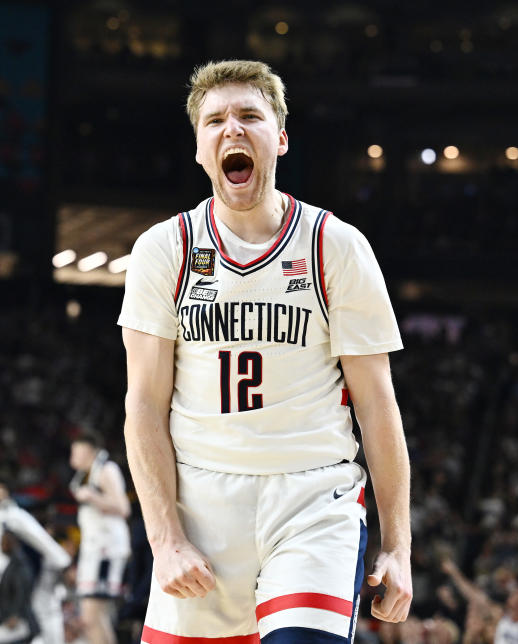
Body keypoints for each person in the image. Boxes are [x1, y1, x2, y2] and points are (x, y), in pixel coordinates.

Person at [118, 59, 412, 641]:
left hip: (312, 498)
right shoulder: (163, 249)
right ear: (199, 147)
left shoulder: (337, 245)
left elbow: (378, 407)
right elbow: (143, 407)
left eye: (250, 116)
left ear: (279, 138)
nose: (232, 129)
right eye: (215, 120)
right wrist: (166, 539)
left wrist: (398, 546)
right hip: (200, 503)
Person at [0, 480, 71, 644]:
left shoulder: (13, 514)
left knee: (4, 633)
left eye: (2, 490)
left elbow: (40, 538)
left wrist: (65, 563)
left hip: (3, 585)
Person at [69, 433, 131, 644]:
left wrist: (92, 496)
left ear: (90, 451)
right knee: (96, 617)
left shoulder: (106, 469)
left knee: (91, 617)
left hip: (106, 551)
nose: (73, 456)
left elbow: (123, 508)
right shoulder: (87, 473)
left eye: (77, 451)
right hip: (94, 550)